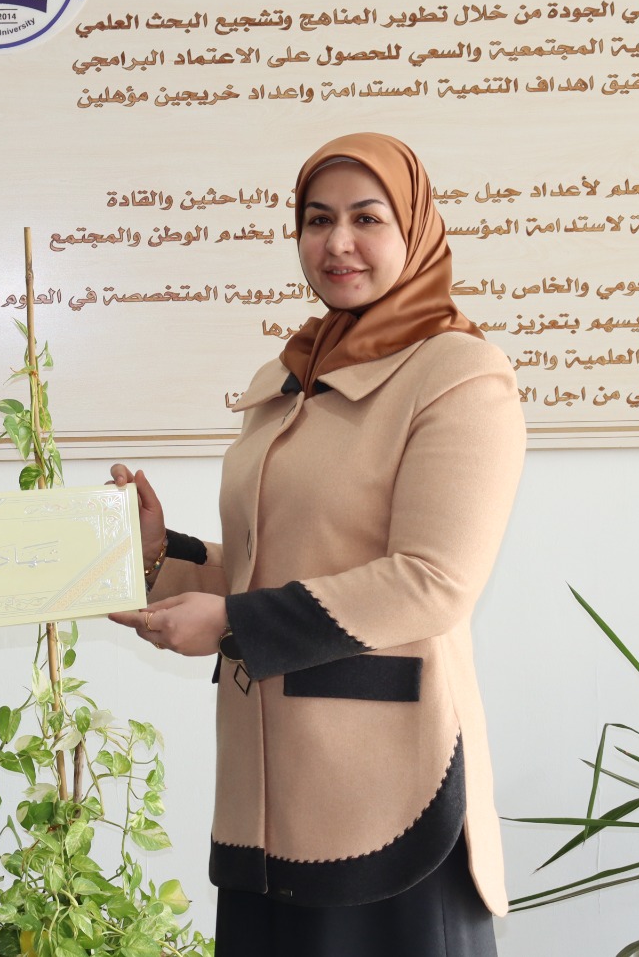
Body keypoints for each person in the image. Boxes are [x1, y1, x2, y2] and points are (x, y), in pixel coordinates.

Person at [110, 133, 525, 955]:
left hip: (385, 795)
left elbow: (433, 580)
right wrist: (162, 555)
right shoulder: (287, 380)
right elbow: (271, 569)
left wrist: (233, 623)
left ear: (414, 231)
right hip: (263, 798)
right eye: (317, 219)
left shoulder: (460, 375)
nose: (337, 242)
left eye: (367, 218)